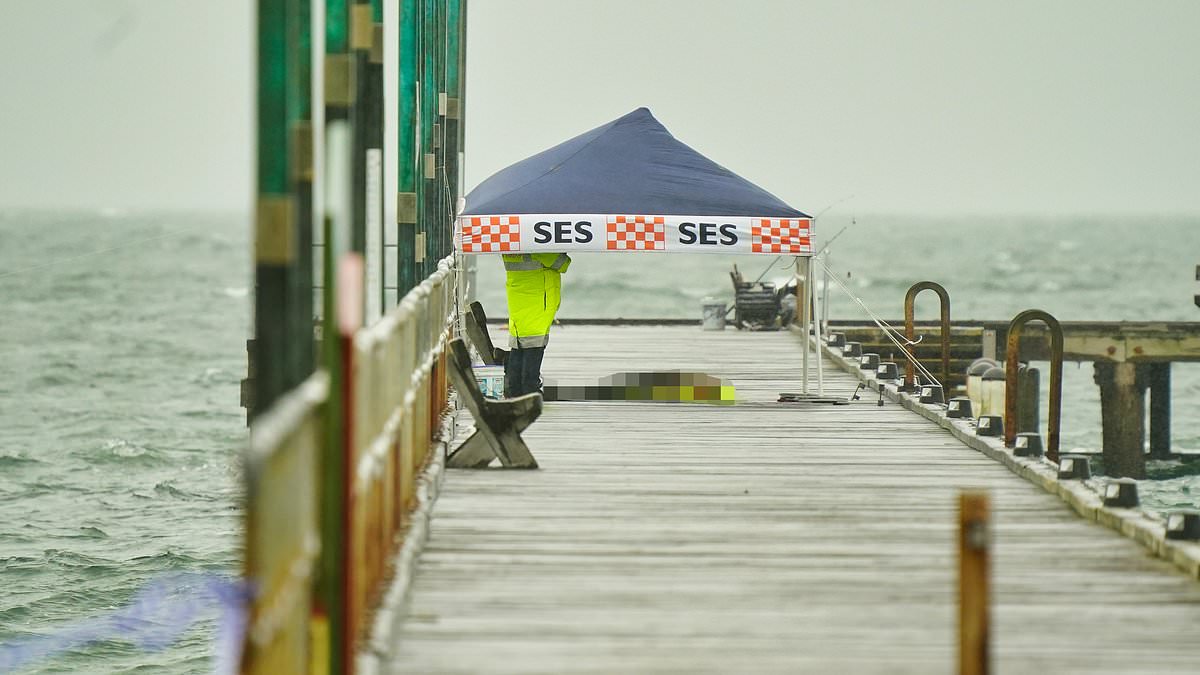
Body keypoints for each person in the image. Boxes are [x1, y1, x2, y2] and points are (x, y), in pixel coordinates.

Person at [501, 252, 571, 397]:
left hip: (518, 298)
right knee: (534, 346)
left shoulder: (510, 245)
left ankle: (514, 388)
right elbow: (563, 263)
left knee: (518, 345)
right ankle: (530, 389)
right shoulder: (538, 247)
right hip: (538, 301)